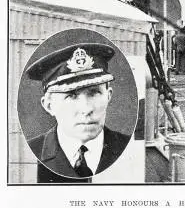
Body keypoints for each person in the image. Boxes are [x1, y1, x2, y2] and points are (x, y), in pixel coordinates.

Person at [24, 43, 131, 182]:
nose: (86, 109)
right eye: (71, 96)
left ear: (108, 96)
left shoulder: (130, 148)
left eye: (94, 93)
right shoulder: (29, 154)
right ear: (49, 105)